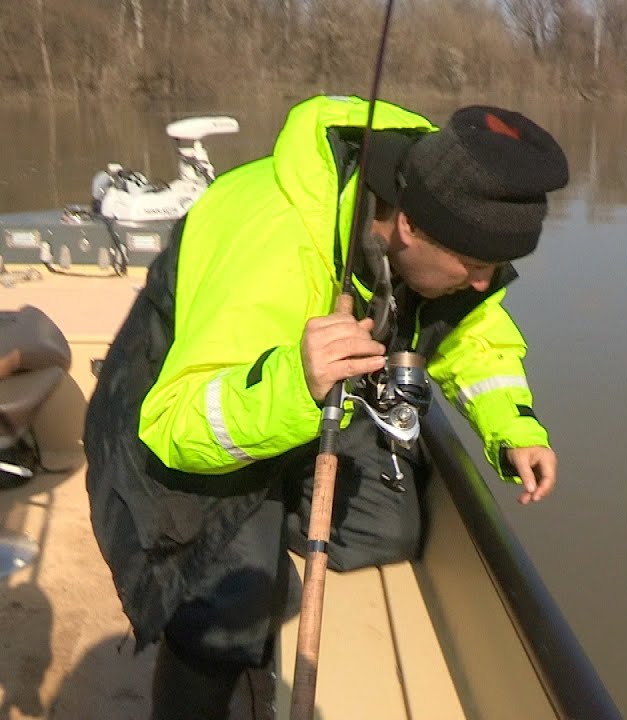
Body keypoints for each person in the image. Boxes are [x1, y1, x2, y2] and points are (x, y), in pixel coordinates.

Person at [83, 95, 570, 719]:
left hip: (310, 395)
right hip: (189, 408)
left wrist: (512, 430)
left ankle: (275, 496)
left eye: (495, 267)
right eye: (474, 266)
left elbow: (471, 332)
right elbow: (175, 424)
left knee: (384, 532)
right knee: (226, 608)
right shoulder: (271, 244)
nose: (484, 282)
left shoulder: (440, 220)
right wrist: (295, 384)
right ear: (411, 229)